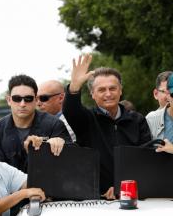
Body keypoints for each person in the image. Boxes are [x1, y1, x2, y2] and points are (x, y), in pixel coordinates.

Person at [62, 54, 152, 198]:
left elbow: (145, 158)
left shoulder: (137, 120)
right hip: (95, 198)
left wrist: (121, 187)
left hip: (132, 195)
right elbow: (70, 110)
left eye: (112, 88)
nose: (108, 94)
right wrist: (74, 87)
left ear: (120, 90)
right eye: (102, 90)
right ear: (92, 94)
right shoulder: (87, 119)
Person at [0, 74, 71, 173]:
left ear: (36, 100)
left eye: (28, 99)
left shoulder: (54, 125)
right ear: (9, 100)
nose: (22, 104)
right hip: (10, 188)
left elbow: (70, 165)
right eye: (17, 98)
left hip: (46, 186)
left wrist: (54, 146)